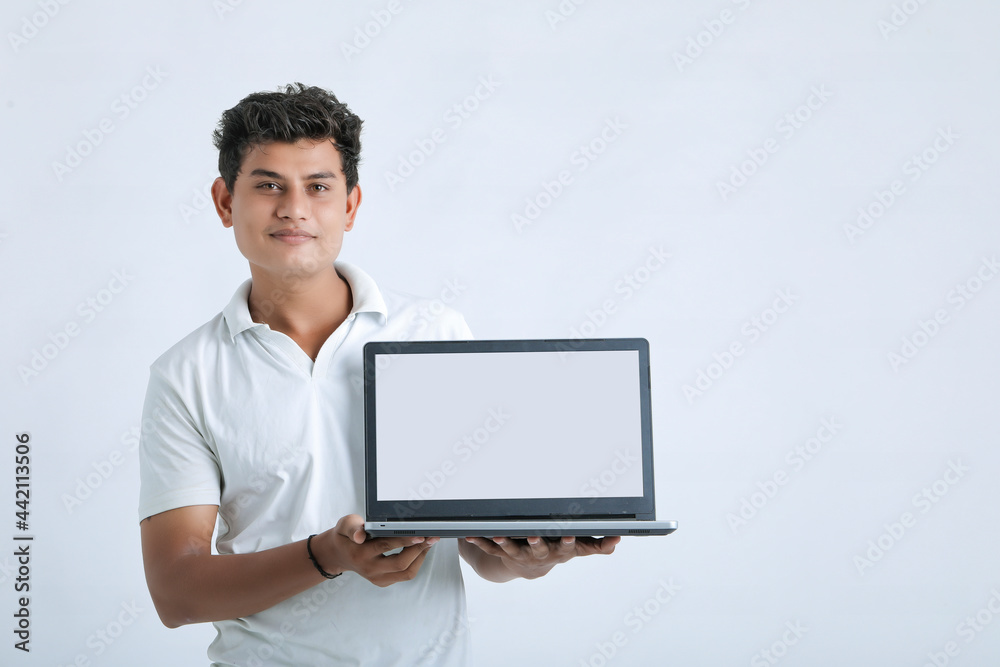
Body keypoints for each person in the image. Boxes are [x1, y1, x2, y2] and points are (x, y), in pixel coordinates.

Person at [138, 83, 619, 666]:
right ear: (223, 202)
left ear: (350, 205)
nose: (294, 208)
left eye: (318, 187)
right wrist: (326, 556)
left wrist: (528, 558)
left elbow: (481, 550)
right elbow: (177, 591)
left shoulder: (433, 333)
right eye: (268, 185)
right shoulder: (185, 375)